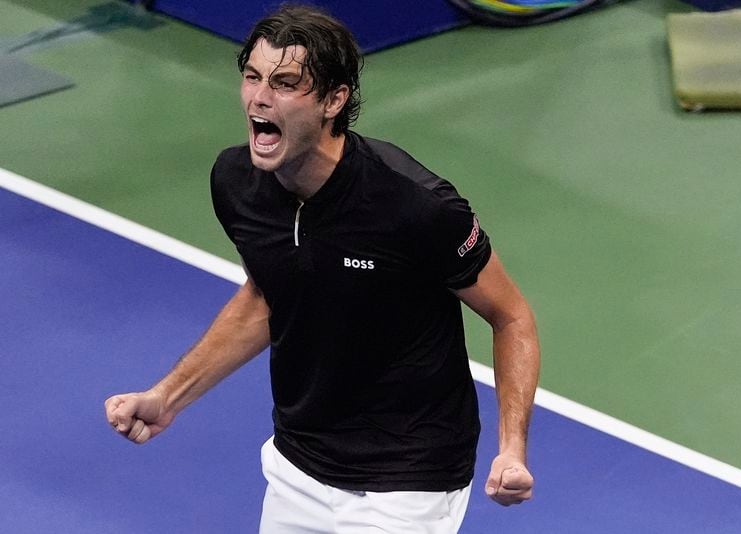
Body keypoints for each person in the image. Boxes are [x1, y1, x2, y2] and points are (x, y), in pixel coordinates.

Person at [105, 4, 540, 532]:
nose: (260, 98)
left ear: (334, 100)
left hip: (408, 482)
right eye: (252, 77)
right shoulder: (237, 182)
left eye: (285, 84)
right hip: (299, 464)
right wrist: (167, 396)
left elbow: (511, 316)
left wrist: (511, 449)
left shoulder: (415, 206)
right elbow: (266, 296)